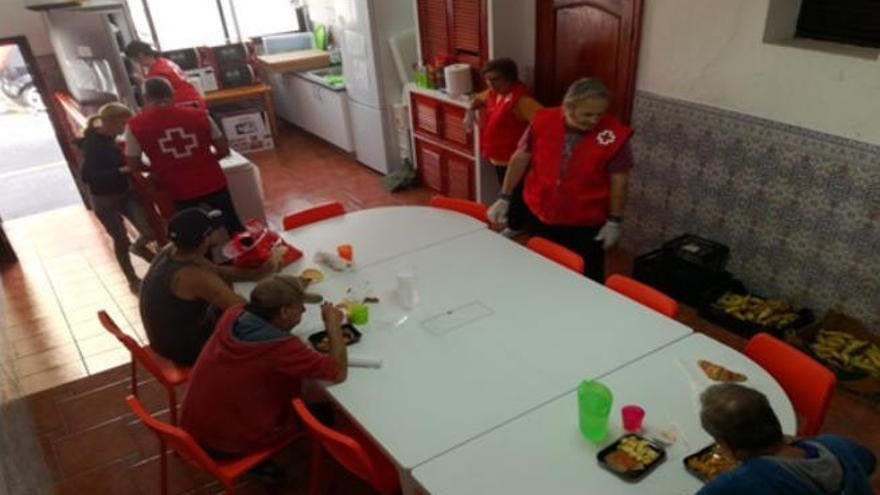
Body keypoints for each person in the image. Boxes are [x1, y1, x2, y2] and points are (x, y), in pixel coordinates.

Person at [180, 275, 347, 457]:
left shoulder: (233, 314)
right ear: (283, 312)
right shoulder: (282, 348)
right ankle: (265, 463)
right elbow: (337, 371)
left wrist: (289, 287)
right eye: (299, 307)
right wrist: (333, 325)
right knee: (325, 413)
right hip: (225, 443)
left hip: (192, 427)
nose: (304, 310)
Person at [487, 77, 634, 282]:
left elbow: (620, 181)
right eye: (587, 114)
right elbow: (521, 157)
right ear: (568, 107)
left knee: (587, 276)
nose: (594, 120)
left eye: (600, 113)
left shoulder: (614, 135)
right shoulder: (543, 120)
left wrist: (615, 221)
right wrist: (505, 196)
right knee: (541, 267)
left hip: (585, 221)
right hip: (540, 213)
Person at [139, 207, 280, 365]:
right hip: (184, 349)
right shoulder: (192, 276)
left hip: (165, 336)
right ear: (206, 239)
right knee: (269, 329)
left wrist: (261, 271)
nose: (219, 230)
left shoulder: (173, 250)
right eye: (214, 228)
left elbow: (219, 272)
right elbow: (244, 312)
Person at [697, 383, 876, 495]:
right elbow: (869, 462)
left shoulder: (737, 484)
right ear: (773, 419)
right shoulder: (836, 445)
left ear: (727, 447)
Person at [125, 77, 244, 235]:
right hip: (212, 179)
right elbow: (223, 150)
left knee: (192, 234)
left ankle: (203, 260)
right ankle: (250, 257)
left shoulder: (135, 125)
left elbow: (133, 164)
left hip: (175, 188)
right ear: (172, 94)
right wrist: (204, 160)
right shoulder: (200, 115)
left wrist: (159, 168)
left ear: (145, 98)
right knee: (233, 225)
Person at [78, 102, 155, 294]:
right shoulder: (93, 144)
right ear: (110, 122)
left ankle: (138, 248)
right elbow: (87, 175)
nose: (125, 128)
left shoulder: (111, 138)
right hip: (105, 199)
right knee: (120, 240)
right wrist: (121, 170)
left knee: (148, 230)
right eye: (123, 123)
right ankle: (132, 279)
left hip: (124, 193)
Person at [465, 58, 542, 238]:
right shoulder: (494, 93)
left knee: (515, 194)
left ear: (510, 79)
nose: (490, 84)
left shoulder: (521, 100)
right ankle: (514, 220)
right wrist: (468, 112)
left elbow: (543, 121)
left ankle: (516, 225)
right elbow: (478, 98)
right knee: (510, 191)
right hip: (498, 156)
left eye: (495, 79)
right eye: (488, 79)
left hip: (514, 159)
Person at [124, 40, 205, 110]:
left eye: (134, 60)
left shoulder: (155, 73)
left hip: (184, 105)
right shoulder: (164, 62)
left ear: (140, 56)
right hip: (194, 101)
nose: (136, 63)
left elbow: (155, 101)